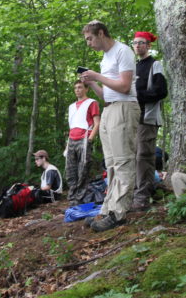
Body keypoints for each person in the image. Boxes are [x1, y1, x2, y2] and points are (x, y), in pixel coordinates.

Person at [80, 20, 140, 232]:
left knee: (123, 161)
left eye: (90, 38)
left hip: (124, 108)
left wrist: (97, 75)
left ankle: (119, 213)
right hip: (109, 109)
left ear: (101, 33)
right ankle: (108, 209)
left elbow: (124, 87)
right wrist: (92, 82)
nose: (88, 43)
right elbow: (106, 95)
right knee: (112, 163)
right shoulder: (106, 58)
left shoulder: (122, 51)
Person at [131, 31, 167, 211]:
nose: (138, 45)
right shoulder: (134, 67)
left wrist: (137, 96)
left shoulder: (155, 64)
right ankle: (136, 194)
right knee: (133, 157)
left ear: (148, 45)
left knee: (143, 157)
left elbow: (161, 91)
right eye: (135, 43)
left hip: (148, 118)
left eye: (141, 42)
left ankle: (142, 198)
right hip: (132, 118)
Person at [66, 80, 101, 206]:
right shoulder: (71, 106)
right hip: (71, 139)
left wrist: (90, 139)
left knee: (83, 170)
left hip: (84, 138)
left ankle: (80, 199)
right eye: (75, 88)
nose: (77, 90)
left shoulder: (92, 103)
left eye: (80, 87)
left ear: (86, 89)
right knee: (70, 171)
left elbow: (97, 123)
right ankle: (72, 199)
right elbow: (72, 125)